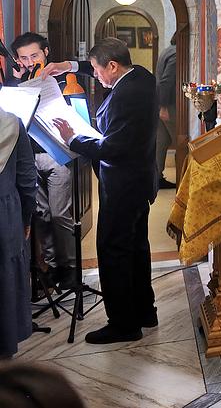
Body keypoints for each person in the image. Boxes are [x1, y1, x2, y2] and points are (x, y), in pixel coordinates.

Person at [46, 38, 158, 344]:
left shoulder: (126, 96)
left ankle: (123, 325)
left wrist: (73, 139)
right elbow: (94, 65)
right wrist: (68, 66)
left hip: (123, 186)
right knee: (136, 248)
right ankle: (145, 312)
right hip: (140, 182)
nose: (94, 75)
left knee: (113, 251)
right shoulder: (142, 76)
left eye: (97, 70)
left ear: (113, 66)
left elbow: (113, 148)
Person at [5, 33, 75, 291]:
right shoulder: (15, 83)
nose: (29, 62)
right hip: (29, 158)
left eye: (34, 56)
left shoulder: (62, 79)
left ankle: (70, 267)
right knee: (41, 215)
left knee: (59, 214)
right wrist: (17, 81)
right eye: (23, 58)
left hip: (56, 154)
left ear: (46, 52)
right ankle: (52, 266)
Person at [0, 106, 36, 360]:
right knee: (5, 275)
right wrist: (26, 217)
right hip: (5, 213)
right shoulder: (11, 123)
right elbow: (26, 176)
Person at [155, 39, 176, 190]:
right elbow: (166, 82)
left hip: (161, 102)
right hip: (169, 105)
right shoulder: (176, 54)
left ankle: (156, 178)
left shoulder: (167, 51)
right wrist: (164, 106)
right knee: (181, 141)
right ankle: (185, 177)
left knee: (161, 142)